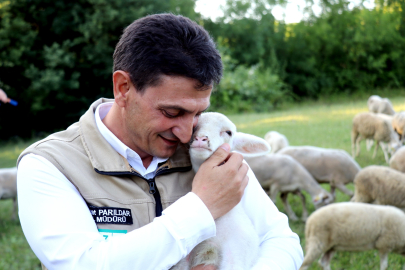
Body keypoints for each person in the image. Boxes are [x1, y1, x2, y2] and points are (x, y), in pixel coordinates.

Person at [17, 14, 303, 270]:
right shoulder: (50, 165)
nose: (185, 133)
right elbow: (84, 264)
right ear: (123, 88)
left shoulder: (207, 151)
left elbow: (280, 239)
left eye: (198, 113)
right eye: (172, 112)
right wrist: (201, 206)